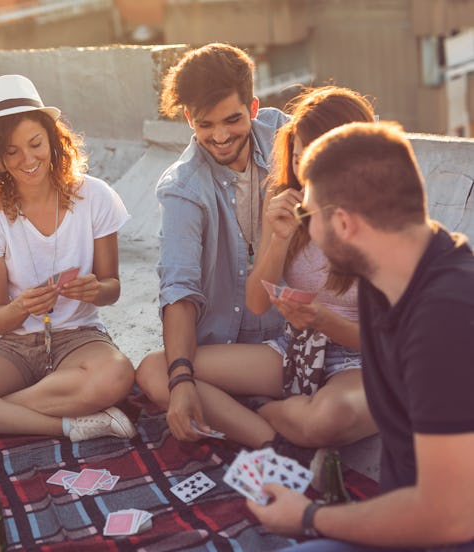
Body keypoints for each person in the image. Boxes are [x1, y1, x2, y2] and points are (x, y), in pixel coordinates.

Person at [249, 122, 474, 550]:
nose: (306, 230)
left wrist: (309, 516)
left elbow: (451, 517)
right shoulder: (385, 276)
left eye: (307, 216)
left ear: (345, 224)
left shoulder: (448, 317)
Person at [141, 87, 379, 451]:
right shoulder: (284, 195)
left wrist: (321, 320)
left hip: (363, 359)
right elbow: (256, 302)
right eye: (300, 159)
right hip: (296, 348)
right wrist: (280, 238)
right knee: (161, 371)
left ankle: (260, 412)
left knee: (327, 419)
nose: (309, 173)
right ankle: (274, 442)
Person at [0, 74, 136, 441]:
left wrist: (94, 290)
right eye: (12, 151)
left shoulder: (96, 196)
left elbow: (112, 289)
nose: (28, 159)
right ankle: (64, 425)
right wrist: (22, 305)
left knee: (116, 375)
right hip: (11, 346)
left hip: (79, 338)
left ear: (53, 140)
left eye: (35, 143)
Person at [135, 43, 288, 441]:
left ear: (253, 109)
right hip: (226, 350)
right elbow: (179, 289)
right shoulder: (183, 186)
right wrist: (183, 378)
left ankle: (251, 417)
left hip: (292, 342)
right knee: (157, 372)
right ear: (189, 118)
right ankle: (271, 437)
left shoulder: (289, 141)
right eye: (205, 124)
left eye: (233, 120)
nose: (220, 136)